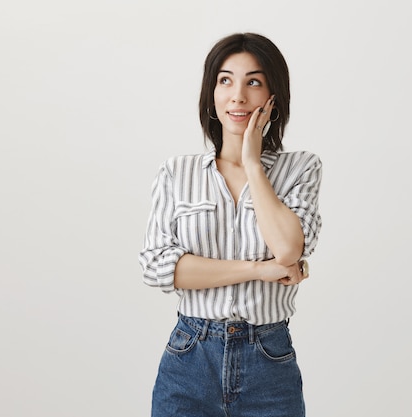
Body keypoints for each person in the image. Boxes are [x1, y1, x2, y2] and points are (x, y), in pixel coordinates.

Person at [138, 32, 322, 417]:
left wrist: (253, 165)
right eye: (225, 80)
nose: (238, 95)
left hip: (269, 360)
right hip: (190, 358)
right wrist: (260, 270)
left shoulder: (300, 168)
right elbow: (158, 268)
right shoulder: (177, 172)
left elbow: (289, 249)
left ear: (273, 96)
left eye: (253, 81)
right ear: (212, 93)